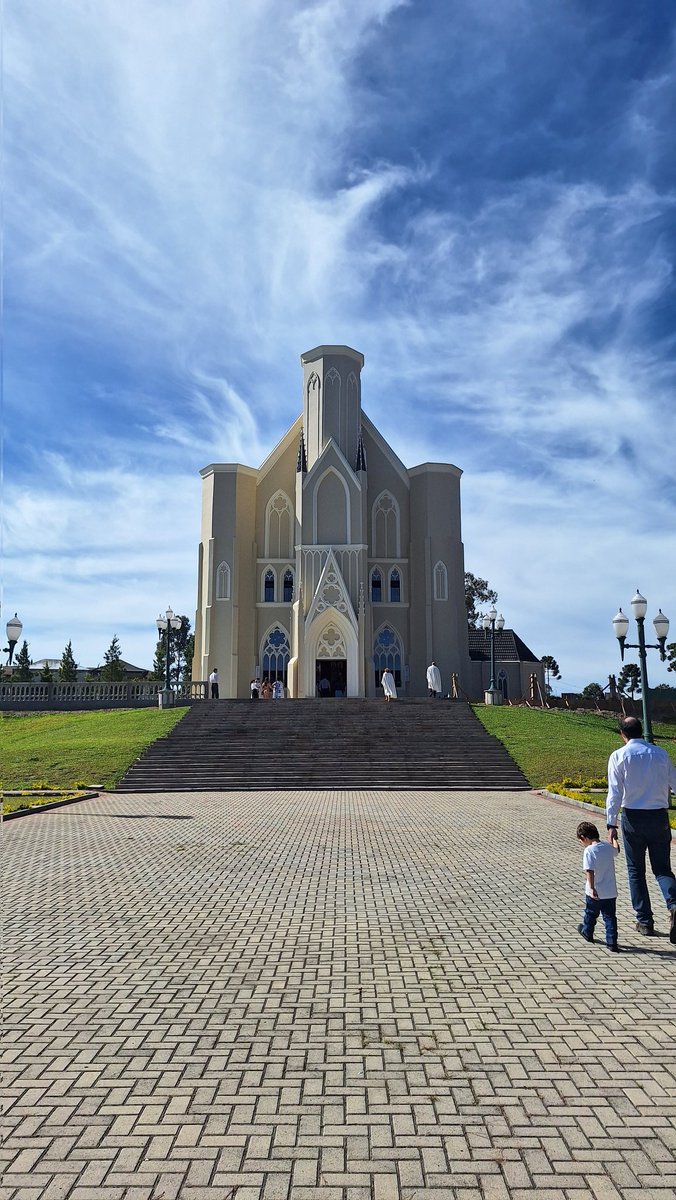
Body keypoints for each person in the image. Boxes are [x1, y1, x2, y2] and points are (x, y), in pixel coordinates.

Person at [606, 715, 676, 941]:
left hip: (633, 817)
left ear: (622, 734)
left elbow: (615, 793)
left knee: (636, 870)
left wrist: (611, 823)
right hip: (659, 817)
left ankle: (645, 921)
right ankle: (674, 904)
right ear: (641, 730)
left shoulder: (619, 756)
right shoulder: (660, 754)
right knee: (662, 868)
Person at [576, 820, 619, 951]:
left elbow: (589, 870)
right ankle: (612, 942)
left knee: (590, 913)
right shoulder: (607, 847)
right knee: (610, 917)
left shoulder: (589, 850)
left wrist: (591, 887)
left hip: (595, 891)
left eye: (581, 840)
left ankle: (587, 932)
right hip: (610, 891)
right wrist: (614, 839)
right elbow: (616, 850)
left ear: (584, 838)